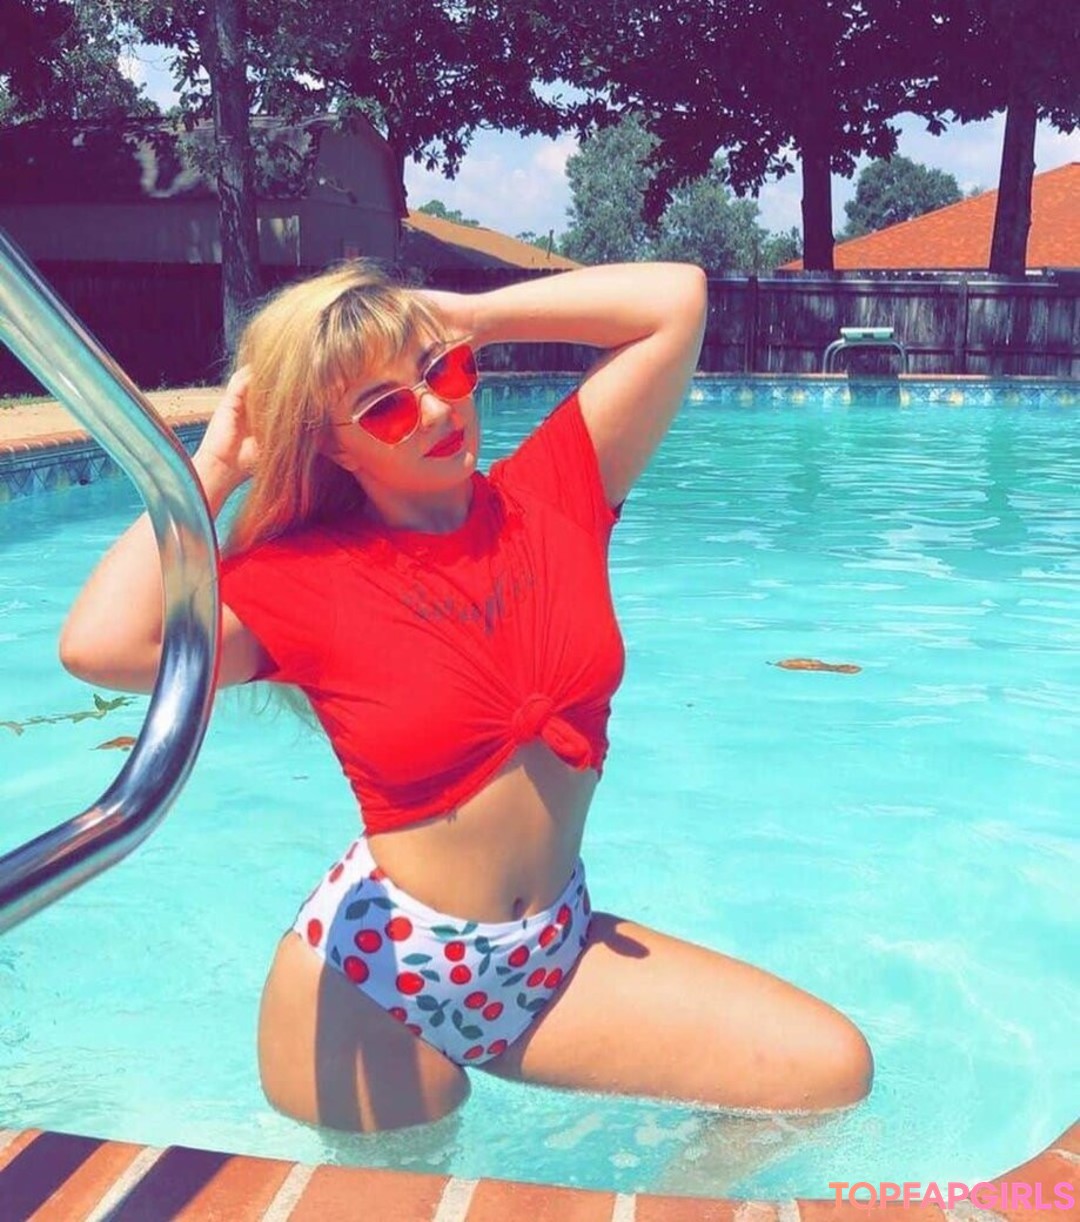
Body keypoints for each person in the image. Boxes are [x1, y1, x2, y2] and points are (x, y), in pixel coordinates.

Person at [60, 260, 873, 1135]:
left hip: (549, 954)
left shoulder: (557, 491)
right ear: (332, 446)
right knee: (414, 1188)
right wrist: (216, 466)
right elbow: (102, 646)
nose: (438, 411)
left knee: (826, 1072)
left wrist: (469, 317)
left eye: (444, 372)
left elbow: (675, 300)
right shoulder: (301, 579)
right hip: (367, 984)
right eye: (386, 408)